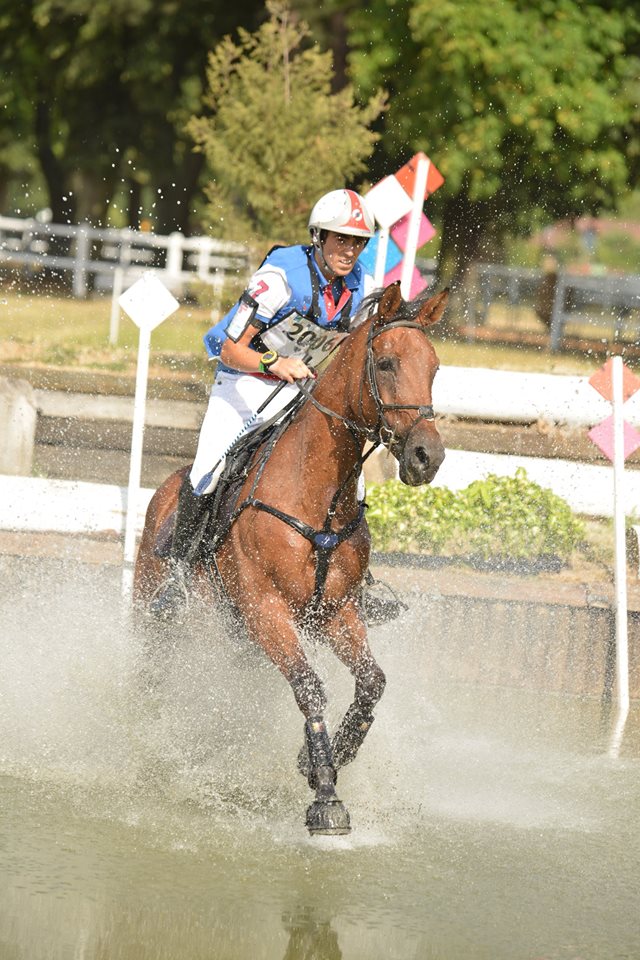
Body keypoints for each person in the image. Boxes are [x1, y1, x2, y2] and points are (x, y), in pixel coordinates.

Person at [150, 188, 392, 622]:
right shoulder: (280, 278)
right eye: (341, 239)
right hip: (244, 380)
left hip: (302, 387)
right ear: (318, 236)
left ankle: (361, 584)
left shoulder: (361, 285)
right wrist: (274, 362)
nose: (349, 250)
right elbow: (228, 346)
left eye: (358, 242)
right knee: (209, 468)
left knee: (348, 478)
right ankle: (179, 576)